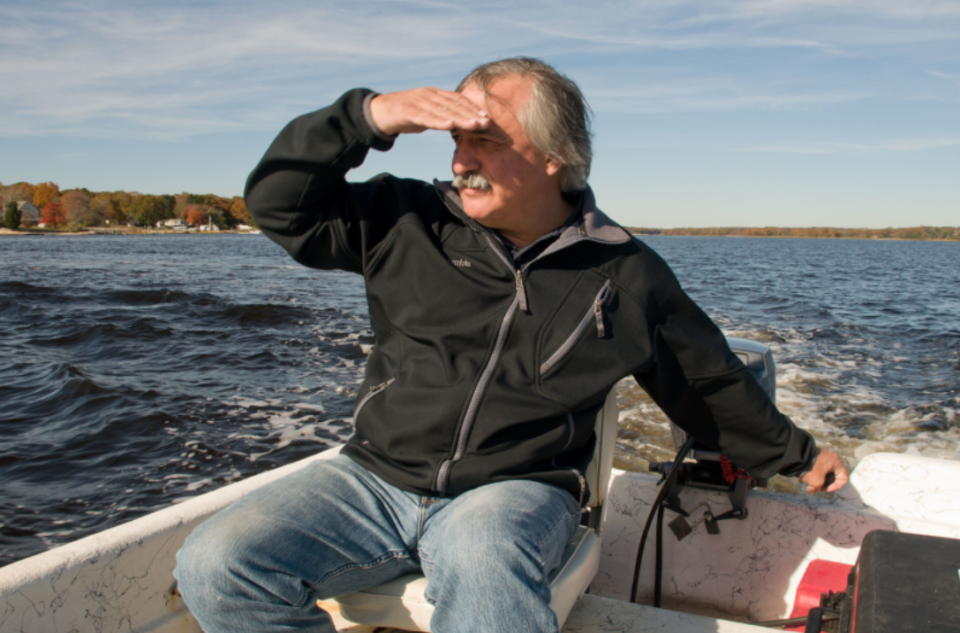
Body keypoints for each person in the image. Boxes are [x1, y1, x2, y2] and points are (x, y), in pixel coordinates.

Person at [174, 57, 848, 633]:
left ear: (556, 156)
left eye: (486, 141)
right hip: (372, 478)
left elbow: (706, 380)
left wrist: (800, 454)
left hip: (517, 489)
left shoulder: (624, 273)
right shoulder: (405, 220)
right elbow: (280, 203)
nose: (462, 160)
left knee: (483, 555)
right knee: (217, 560)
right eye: (455, 141)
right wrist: (370, 116)